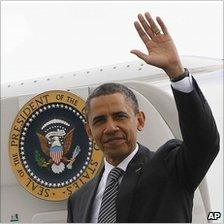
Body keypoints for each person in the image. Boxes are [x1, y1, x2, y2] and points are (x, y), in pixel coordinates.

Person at [67, 12, 219, 223]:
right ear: (89, 131)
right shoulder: (79, 199)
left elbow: (204, 143)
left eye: (119, 116)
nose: (110, 127)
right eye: (100, 120)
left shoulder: (170, 167)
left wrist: (176, 72)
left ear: (139, 121)